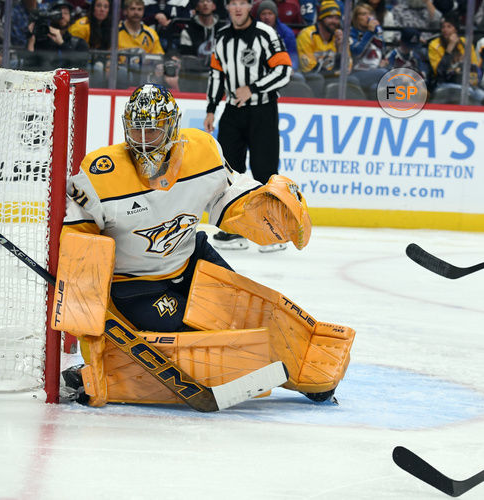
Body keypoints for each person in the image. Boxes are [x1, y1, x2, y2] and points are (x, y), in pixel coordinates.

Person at [56, 84, 353, 408]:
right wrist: (90, 321)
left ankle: (306, 374)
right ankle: (107, 373)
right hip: (136, 286)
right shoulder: (100, 173)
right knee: (200, 344)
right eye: (137, 130)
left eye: (153, 130)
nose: (143, 140)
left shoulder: (203, 152)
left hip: (193, 259)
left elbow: (229, 194)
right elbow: (79, 243)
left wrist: (261, 206)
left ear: (172, 127)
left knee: (250, 315)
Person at [204, 0, 292, 252]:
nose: (238, 8)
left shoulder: (266, 34)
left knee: (265, 170)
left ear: (250, 5)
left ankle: (271, 232)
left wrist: (252, 88)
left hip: (262, 110)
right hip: (232, 111)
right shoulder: (221, 37)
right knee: (230, 172)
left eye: (243, 2)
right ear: (227, 7)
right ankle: (233, 231)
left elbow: (285, 71)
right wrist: (211, 108)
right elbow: (216, 76)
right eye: (233, 3)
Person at [427, 12, 484, 104]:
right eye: (443, 27)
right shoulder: (434, 45)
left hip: (467, 84)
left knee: (481, 96)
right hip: (444, 83)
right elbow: (439, 72)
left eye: (449, 26)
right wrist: (450, 48)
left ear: (456, 29)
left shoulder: (465, 43)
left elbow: (475, 67)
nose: (445, 30)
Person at [25, 0, 88, 70]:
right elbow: (29, 66)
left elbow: (81, 66)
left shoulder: (79, 43)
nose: (62, 16)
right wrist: (31, 41)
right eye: (58, 12)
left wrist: (61, 43)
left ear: (71, 16)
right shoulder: (41, 41)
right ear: (50, 16)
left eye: (65, 13)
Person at [348, 3, 387, 95]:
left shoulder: (376, 32)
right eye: (363, 14)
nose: (368, 17)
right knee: (385, 74)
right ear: (356, 18)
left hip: (375, 71)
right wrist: (369, 32)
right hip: (357, 72)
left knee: (376, 88)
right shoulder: (351, 33)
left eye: (370, 14)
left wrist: (383, 61)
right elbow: (356, 52)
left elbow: (382, 51)